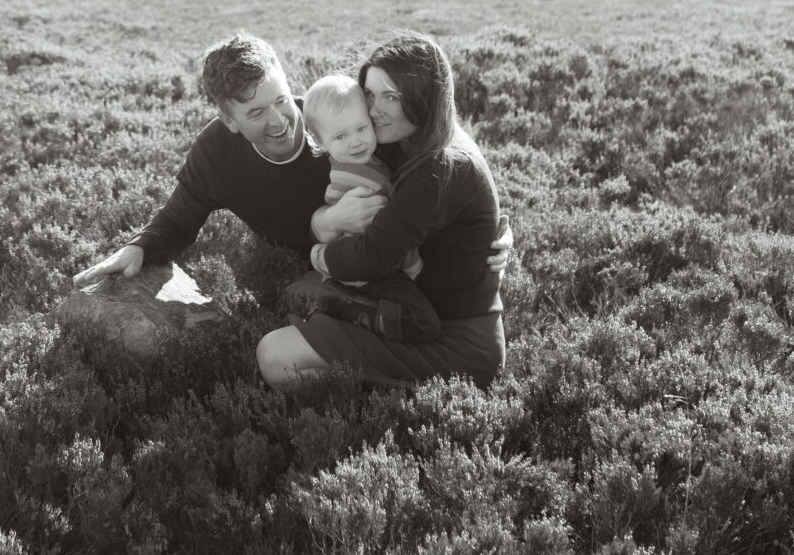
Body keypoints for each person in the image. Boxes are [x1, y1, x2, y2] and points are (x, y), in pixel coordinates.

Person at [70, 30, 512, 292]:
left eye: (282, 100)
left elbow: (437, 157)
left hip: (384, 267)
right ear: (228, 120)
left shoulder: (344, 130)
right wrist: (139, 248)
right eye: (256, 113)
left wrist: (490, 230)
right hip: (305, 273)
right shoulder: (216, 152)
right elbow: (178, 219)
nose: (280, 121)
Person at [257, 32, 506, 390]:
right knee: (291, 329)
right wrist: (327, 220)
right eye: (370, 94)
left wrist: (317, 254)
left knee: (274, 356)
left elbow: (372, 256)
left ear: (423, 98)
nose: (374, 109)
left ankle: (382, 408)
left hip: (455, 342)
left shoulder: (443, 166)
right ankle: (370, 384)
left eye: (391, 96)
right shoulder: (391, 140)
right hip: (405, 308)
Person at [301, 73, 440, 344]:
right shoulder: (366, 181)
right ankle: (345, 306)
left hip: (356, 264)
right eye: (341, 136)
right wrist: (413, 266)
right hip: (366, 271)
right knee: (423, 322)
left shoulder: (349, 165)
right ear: (320, 143)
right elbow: (395, 232)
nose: (355, 141)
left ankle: (348, 303)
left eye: (361, 129)